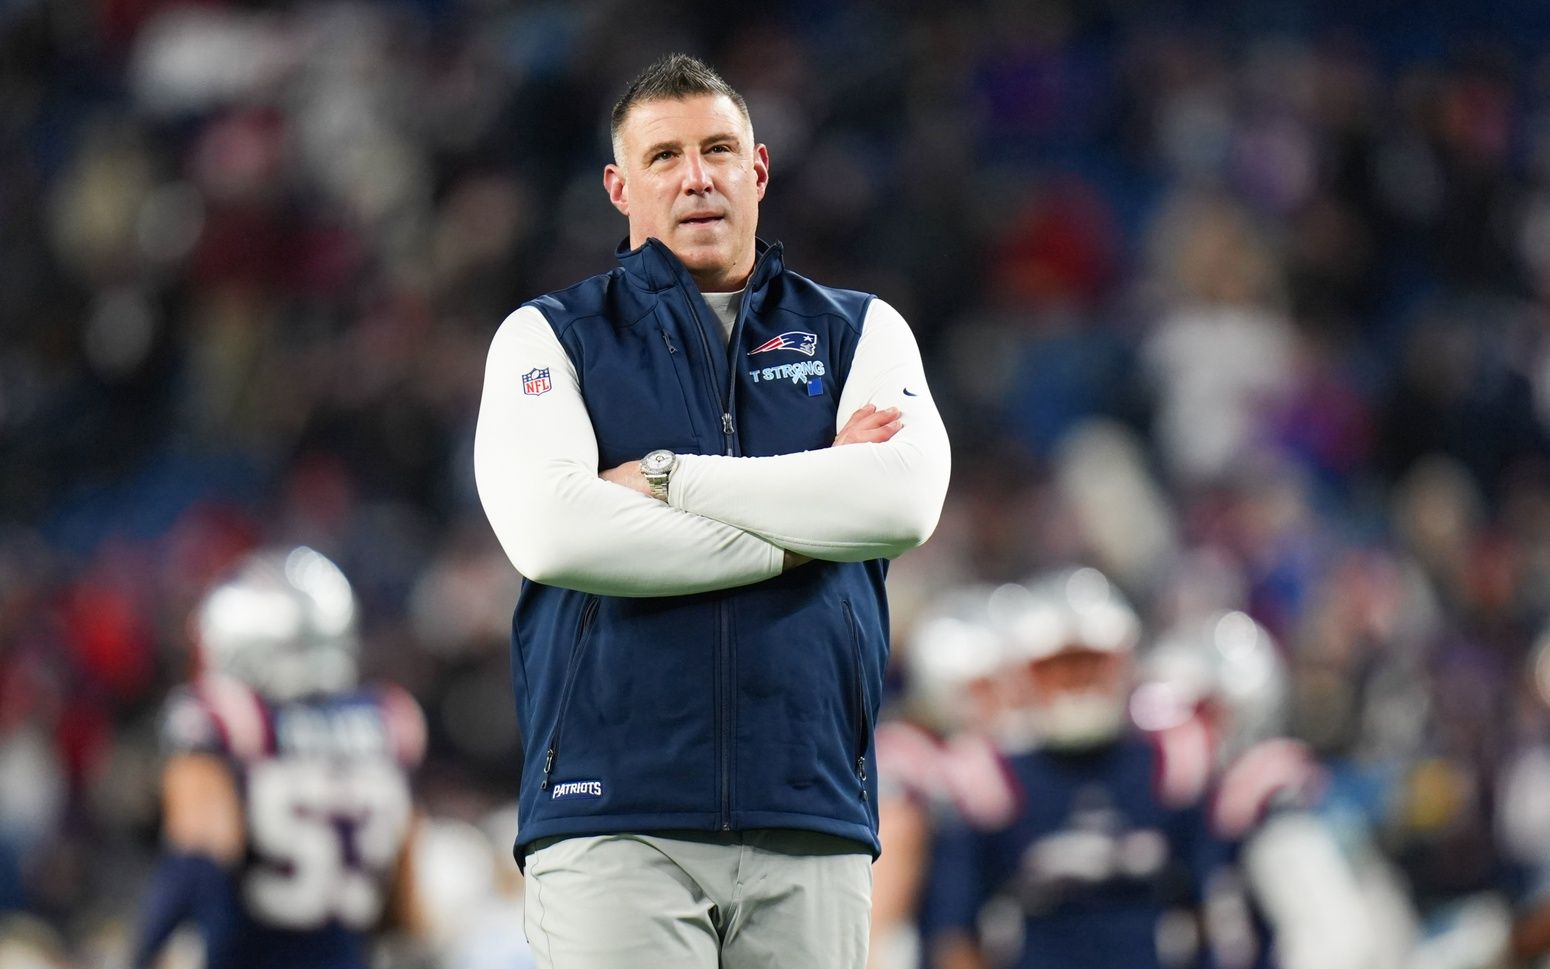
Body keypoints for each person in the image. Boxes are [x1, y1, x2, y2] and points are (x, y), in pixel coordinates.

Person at [472, 52, 951, 969]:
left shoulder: (860, 327)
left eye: (719, 149)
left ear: (758, 169)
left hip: (809, 806)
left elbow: (902, 501)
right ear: (619, 186)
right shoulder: (548, 335)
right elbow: (554, 533)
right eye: (664, 157)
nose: (696, 177)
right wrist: (807, 524)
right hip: (613, 814)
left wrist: (661, 476)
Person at [132, 546, 426, 969]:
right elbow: (407, 902)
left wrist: (142, 953)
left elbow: (199, 854)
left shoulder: (228, 719)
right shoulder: (389, 720)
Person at [919, 567, 1215, 969]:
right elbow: (955, 935)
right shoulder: (988, 776)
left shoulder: (1171, 766)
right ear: (1026, 674)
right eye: (1060, 666)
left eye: (1091, 662)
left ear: (1123, 664)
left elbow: (1210, 917)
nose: (1078, 680)